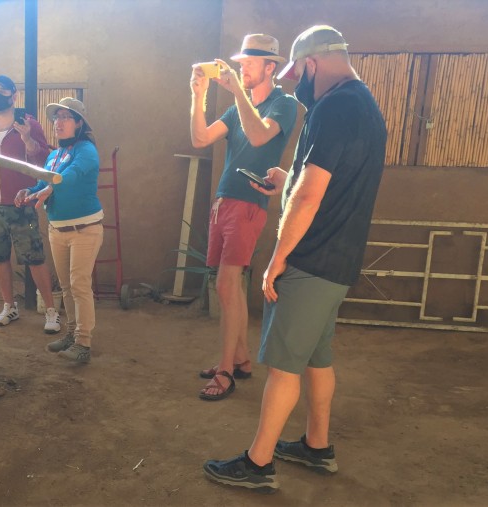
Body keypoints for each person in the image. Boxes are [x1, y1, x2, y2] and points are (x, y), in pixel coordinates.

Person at [202, 25, 387, 493]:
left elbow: (309, 197)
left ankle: (258, 463)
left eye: (299, 74)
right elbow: (330, 178)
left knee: (283, 364)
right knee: (316, 358)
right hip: (341, 258)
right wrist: (288, 176)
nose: (299, 85)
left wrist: (278, 258)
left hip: (312, 257)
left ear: (311, 63)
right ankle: (317, 446)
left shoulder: (334, 107)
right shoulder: (365, 105)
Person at [189, 34, 298, 401]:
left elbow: (258, 137)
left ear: (271, 66)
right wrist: (198, 95)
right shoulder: (237, 107)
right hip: (224, 202)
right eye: (240, 63)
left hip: (248, 204)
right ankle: (240, 359)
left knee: (225, 285)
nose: (242, 68)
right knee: (227, 286)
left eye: (250, 62)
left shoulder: (284, 104)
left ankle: (225, 372)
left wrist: (236, 92)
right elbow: (201, 138)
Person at [0, 75, 61, 334]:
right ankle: (9, 306)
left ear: (14, 96)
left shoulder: (28, 124)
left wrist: (28, 139)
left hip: (22, 201)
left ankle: (51, 311)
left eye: (1, 91)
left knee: (34, 257)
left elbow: (45, 159)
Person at [16, 97, 102, 363]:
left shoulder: (86, 150)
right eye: (56, 118)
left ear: (79, 123)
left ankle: (84, 343)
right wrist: (28, 191)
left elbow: (70, 175)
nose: (59, 122)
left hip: (84, 229)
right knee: (66, 286)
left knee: (79, 285)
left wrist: (49, 187)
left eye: (65, 117)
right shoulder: (54, 155)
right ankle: (72, 334)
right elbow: (44, 180)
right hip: (57, 229)